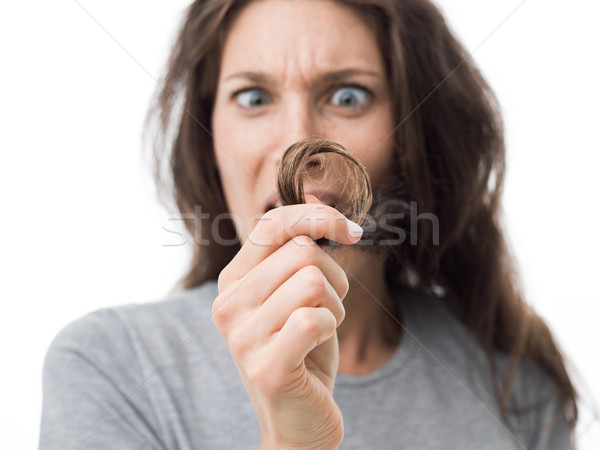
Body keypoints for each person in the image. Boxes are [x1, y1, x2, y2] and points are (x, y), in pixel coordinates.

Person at [39, 0, 579, 448]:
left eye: (348, 95)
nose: (298, 145)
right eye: (253, 97)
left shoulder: (516, 384)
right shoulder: (110, 369)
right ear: (209, 143)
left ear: (417, 136)